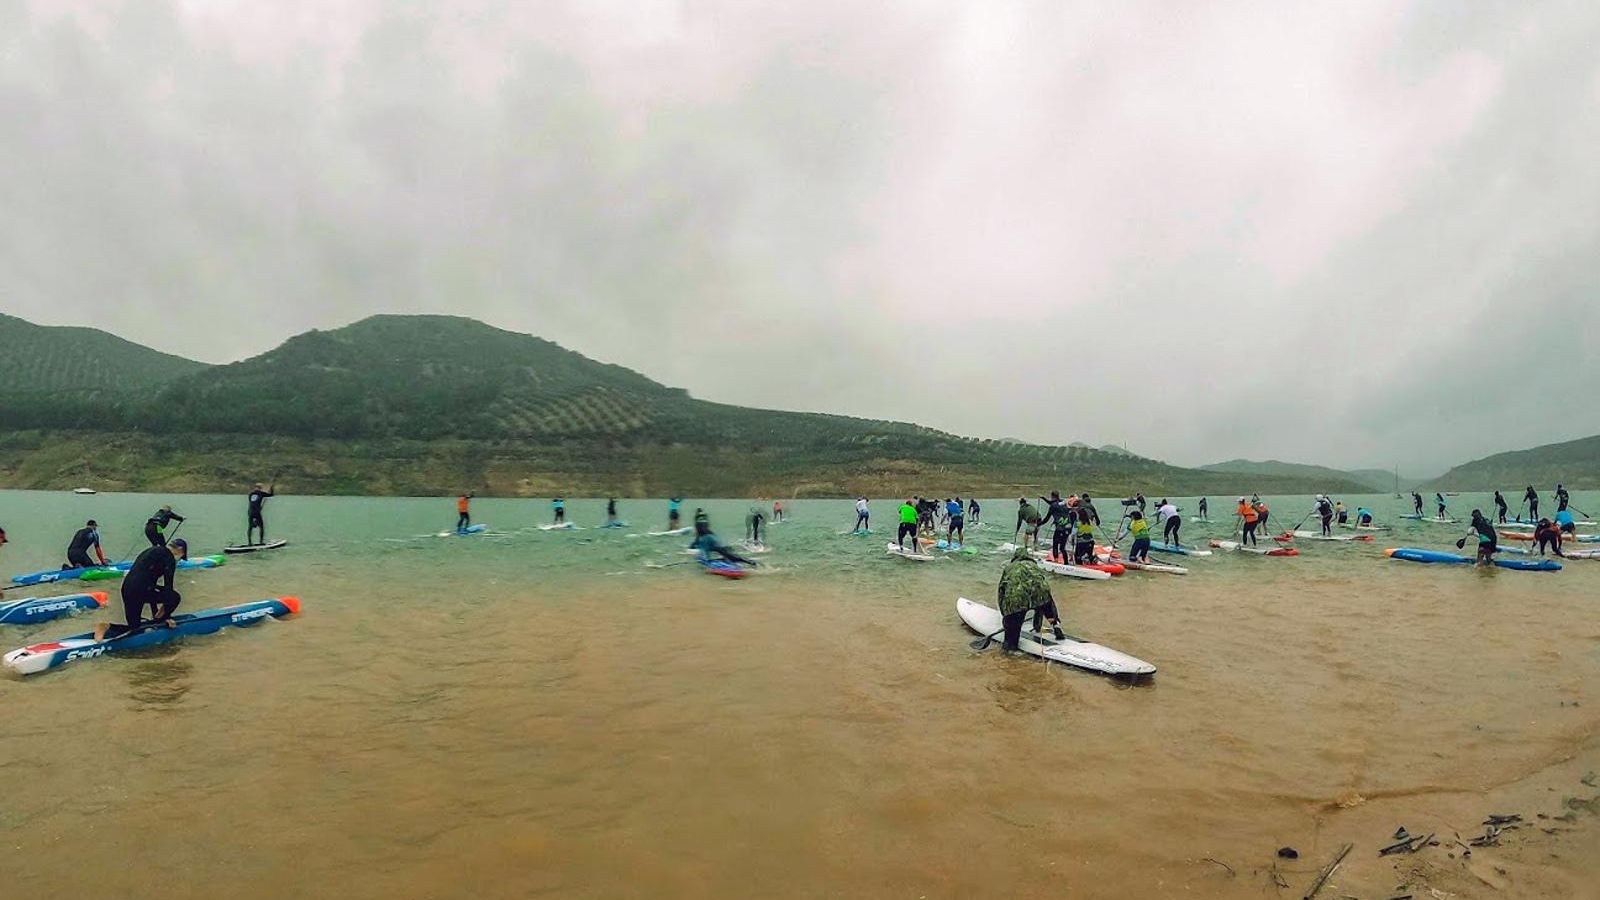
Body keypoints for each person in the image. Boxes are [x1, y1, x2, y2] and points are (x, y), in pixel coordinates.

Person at [95, 538, 187, 641]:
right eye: (182, 556)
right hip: (141, 590)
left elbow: (151, 583)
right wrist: (166, 617)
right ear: (180, 550)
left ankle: (106, 627)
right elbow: (168, 587)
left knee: (134, 629)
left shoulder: (151, 551)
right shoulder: (169, 559)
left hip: (127, 588)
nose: (179, 560)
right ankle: (160, 619)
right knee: (174, 597)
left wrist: (156, 615)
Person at [996, 547, 1065, 652]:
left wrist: (1006, 616)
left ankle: (1010, 654)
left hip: (1017, 600)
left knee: (1011, 635)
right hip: (1041, 595)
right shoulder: (1034, 565)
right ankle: (1055, 625)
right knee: (1043, 600)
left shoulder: (1009, 568)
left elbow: (1001, 591)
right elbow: (1041, 584)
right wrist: (1038, 624)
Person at [690, 525, 757, 566]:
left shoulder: (704, 539)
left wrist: (706, 561)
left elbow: (706, 552)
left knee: (733, 559)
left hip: (723, 549)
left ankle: (751, 562)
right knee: (732, 558)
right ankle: (749, 562)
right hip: (726, 548)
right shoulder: (710, 535)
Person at [1040, 496, 1073, 562]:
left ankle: (1056, 560)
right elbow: (1052, 503)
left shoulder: (1053, 506)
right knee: (1062, 547)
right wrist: (1043, 498)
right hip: (1068, 528)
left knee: (1055, 544)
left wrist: (1039, 524)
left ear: (1052, 497)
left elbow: (1047, 518)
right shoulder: (1063, 503)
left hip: (1060, 529)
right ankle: (1066, 562)